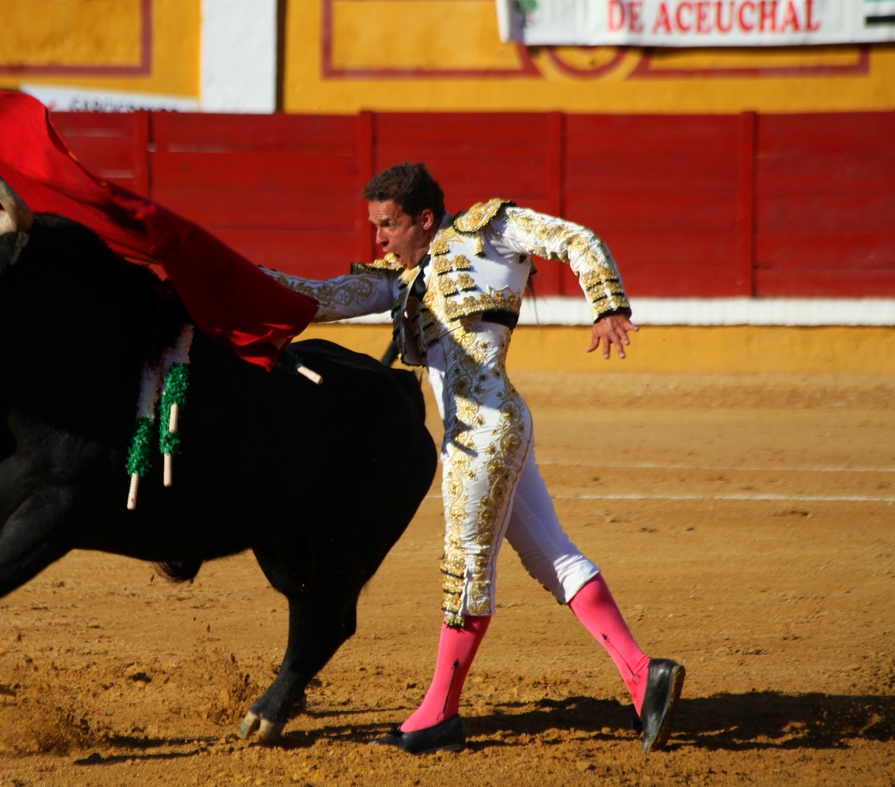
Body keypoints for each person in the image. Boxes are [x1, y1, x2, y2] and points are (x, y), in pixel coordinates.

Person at [263, 162, 685, 754]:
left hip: (482, 433)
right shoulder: (404, 276)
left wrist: (608, 304)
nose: (378, 239)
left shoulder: (489, 230)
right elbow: (325, 296)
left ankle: (438, 714)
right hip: (490, 427)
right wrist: (238, 280)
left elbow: (575, 238)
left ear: (424, 219)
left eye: (388, 225)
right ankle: (645, 676)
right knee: (552, 557)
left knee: (465, 569)